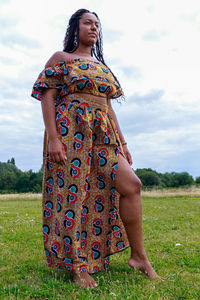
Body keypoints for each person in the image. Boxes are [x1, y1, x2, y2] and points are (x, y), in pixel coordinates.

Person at [31, 8, 164, 288]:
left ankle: (139, 256)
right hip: (71, 133)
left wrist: (123, 142)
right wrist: (53, 138)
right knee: (73, 197)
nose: (93, 28)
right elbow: (47, 95)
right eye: (87, 23)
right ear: (75, 29)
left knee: (132, 184)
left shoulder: (103, 67)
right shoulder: (61, 59)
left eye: (97, 24)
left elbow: (109, 107)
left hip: (103, 135)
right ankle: (77, 265)